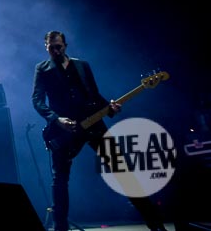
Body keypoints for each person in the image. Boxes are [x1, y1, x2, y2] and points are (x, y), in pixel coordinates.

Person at [32, 31, 166, 231]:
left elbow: (94, 95)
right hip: (64, 130)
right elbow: (37, 100)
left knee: (123, 171)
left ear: (65, 45)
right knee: (60, 180)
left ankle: (156, 225)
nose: (55, 51)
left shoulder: (82, 65)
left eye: (58, 47)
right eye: (51, 48)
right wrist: (56, 119)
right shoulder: (42, 69)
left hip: (93, 124)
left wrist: (110, 108)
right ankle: (60, 228)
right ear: (46, 48)